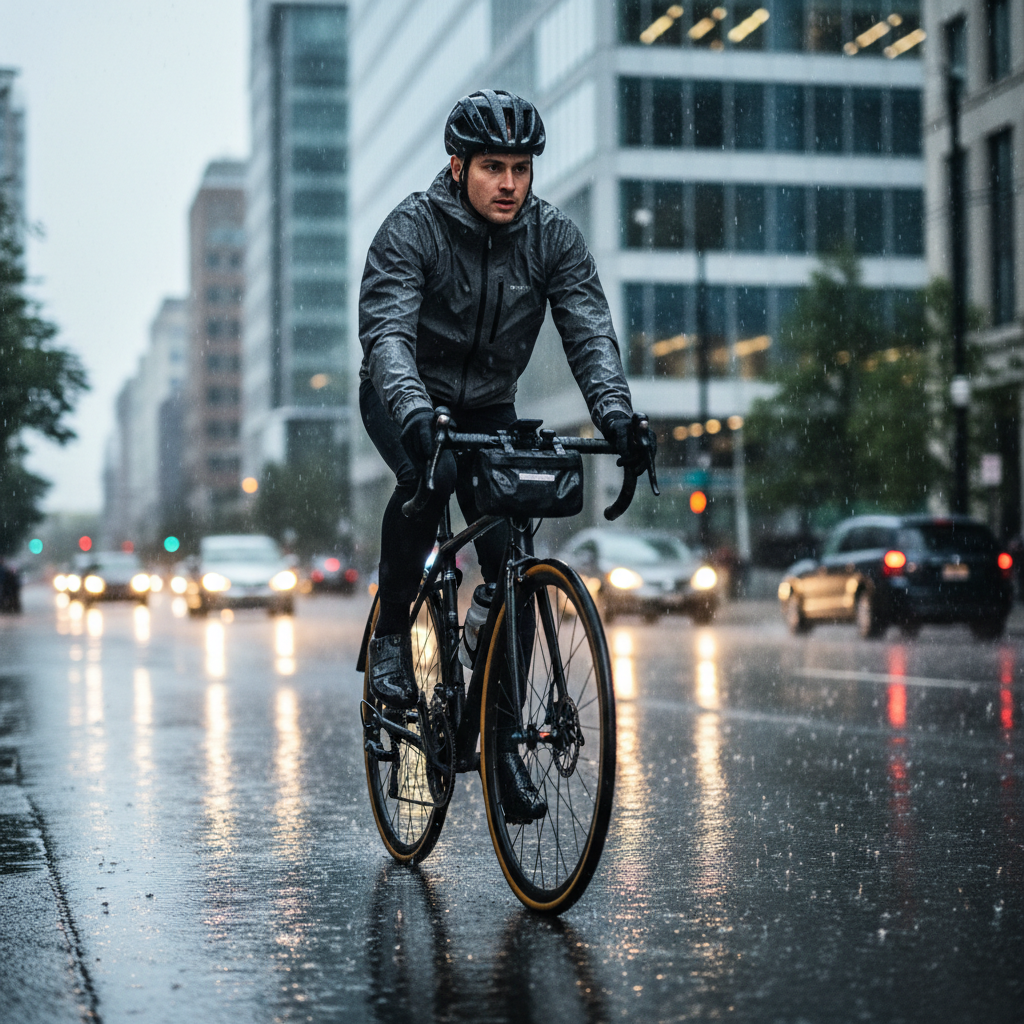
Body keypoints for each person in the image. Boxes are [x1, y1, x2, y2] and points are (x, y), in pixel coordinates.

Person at [358, 90, 655, 819]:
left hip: (490, 405)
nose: (509, 184)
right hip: (403, 393)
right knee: (429, 480)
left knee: (514, 564)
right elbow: (387, 334)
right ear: (457, 166)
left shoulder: (552, 237)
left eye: (521, 169)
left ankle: (497, 745)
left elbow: (589, 331)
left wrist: (618, 416)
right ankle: (393, 636)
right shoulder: (412, 229)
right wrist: (414, 412)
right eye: (493, 167)